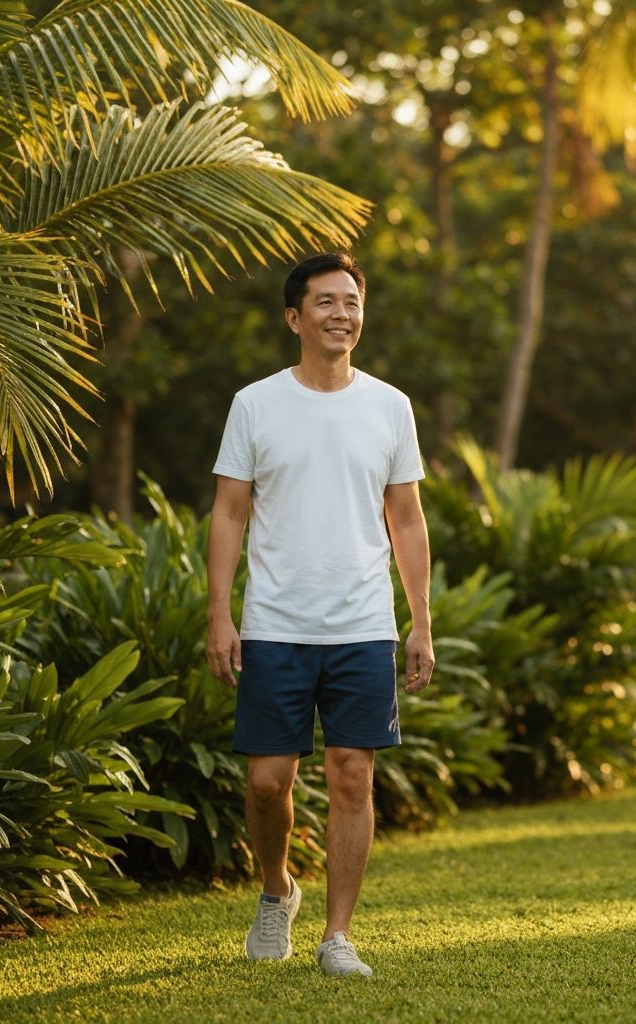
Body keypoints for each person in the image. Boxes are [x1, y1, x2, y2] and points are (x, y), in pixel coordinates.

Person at [205, 252, 433, 978]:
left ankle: (338, 936)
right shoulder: (256, 403)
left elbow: (407, 519)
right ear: (294, 318)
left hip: (363, 624)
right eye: (325, 302)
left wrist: (419, 619)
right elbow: (229, 512)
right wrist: (220, 613)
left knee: (350, 774)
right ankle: (277, 890)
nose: (342, 314)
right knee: (268, 782)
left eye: (352, 301)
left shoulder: (390, 406)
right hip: (275, 623)